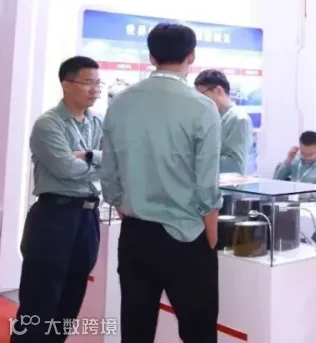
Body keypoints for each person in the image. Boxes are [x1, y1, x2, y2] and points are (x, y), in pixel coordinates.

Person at [100, 23, 222, 343]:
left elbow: (109, 175)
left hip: (136, 235)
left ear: (152, 57)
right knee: (198, 332)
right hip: (187, 236)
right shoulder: (202, 106)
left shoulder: (120, 102)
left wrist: (132, 211)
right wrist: (211, 237)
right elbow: (206, 184)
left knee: (136, 331)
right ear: (191, 56)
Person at [12, 57, 104, 342]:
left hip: (88, 216)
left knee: (71, 298)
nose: (95, 90)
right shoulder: (49, 124)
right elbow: (65, 169)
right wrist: (99, 163)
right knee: (40, 299)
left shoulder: (97, 122)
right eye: (87, 83)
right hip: (54, 216)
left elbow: (117, 161)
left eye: (98, 83)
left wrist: (88, 156)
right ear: (67, 84)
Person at [194, 69, 252, 175]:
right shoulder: (209, 117)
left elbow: (235, 165)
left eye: (202, 95)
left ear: (218, 90)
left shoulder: (239, 119)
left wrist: (197, 160)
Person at [273, 130, 316, 200]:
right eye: (303, 153)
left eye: (311, 154)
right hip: (292, 202)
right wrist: (288, 161)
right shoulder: (295, 159)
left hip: (315, 204)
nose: (307, 157)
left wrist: (311, 195)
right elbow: (276, 180)